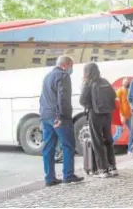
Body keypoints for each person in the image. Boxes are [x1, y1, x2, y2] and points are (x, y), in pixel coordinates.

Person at [39, 55, 84, 186]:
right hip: (59, 118)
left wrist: (42, 116)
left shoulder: (47, 77)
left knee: (48, 147)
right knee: (68, 145)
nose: (71, 69)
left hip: (46, 116)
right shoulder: (63, 76)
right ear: (66, 65)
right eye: (71, 66)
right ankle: (68, 175)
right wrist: (59, 116)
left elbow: (42, 98)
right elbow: (63, 98)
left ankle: (49, 178)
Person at [79, 62, 118, 178]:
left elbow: (82, 101)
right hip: (107, 114)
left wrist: (91, 105)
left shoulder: (88, 83)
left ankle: (103, 169)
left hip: (95, 114)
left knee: (97, 142)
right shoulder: (105, 81)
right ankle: (113, 167)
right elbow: (114, 95)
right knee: (108, 140)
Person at [113, 77, 133, 155]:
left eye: (127, 82)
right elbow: (117, 104)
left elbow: (129, 103)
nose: (126, 83)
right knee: (118, 134)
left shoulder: (129, 91)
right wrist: (121, 115)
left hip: (128, 115)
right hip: (121, 116)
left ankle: (130, 149)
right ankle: (107, 147)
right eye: (125, 82)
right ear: (122, 83)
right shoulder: (119, 91)